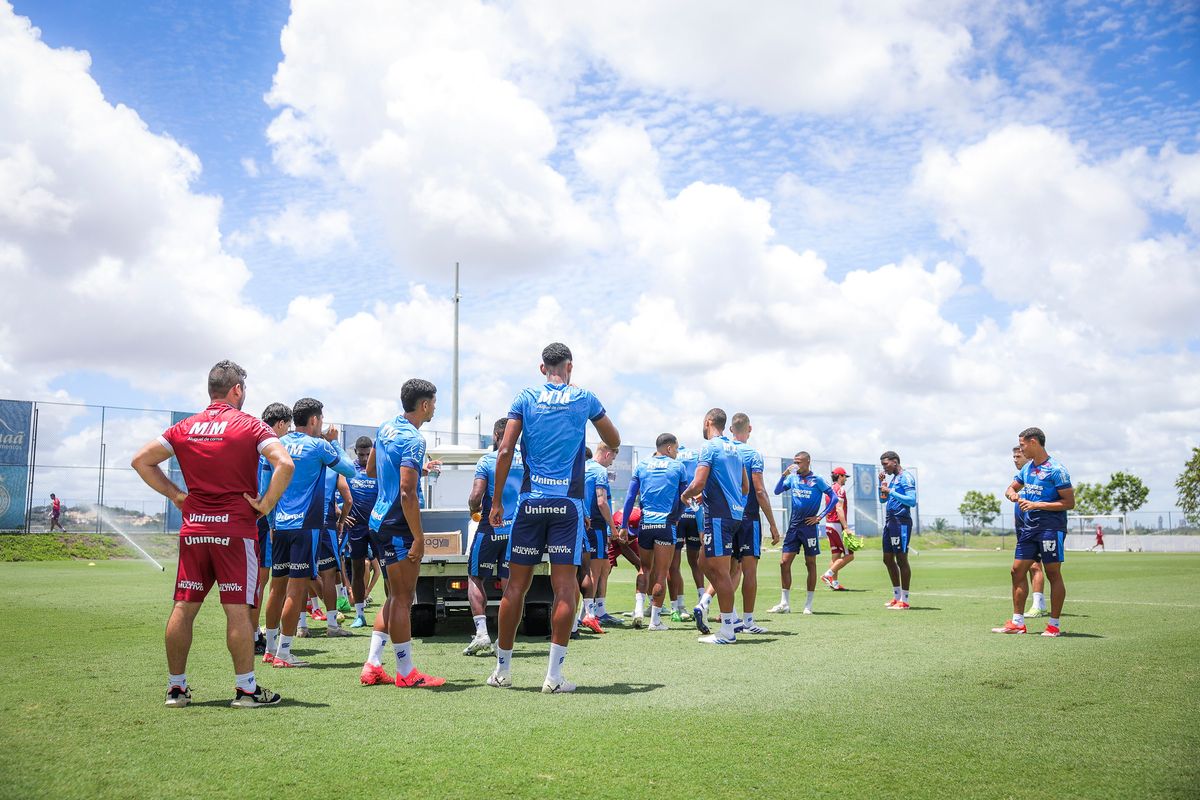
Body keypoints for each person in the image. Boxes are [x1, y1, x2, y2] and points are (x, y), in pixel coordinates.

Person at [130, 359, 293, 708]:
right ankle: (246, 690)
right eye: (244, 389)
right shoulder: (250, 426)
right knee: (237, 611)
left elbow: (141, 460)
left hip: (194, 531)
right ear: (236, 390)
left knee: (184, 607)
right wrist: (264, 505)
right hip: (235, 531)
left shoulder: (184, 427)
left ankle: (176, 689)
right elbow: (285, 463)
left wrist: (177, 496)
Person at [486, 343, 620, 693]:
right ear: (570, 367)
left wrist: (497, 501)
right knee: (565, 588)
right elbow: (613, 439)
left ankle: (502, 671)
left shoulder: (525, 397)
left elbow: (504, 450)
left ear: (542, 368)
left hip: (529, 504)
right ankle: (554, 678)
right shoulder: (584, 398)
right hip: (568, 507)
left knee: (515, 587)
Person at [359, 379, 446, 687]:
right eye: (434, 402)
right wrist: (419, 538)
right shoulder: (414, 440)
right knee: (403, 598)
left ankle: (372, 664)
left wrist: (415, 469)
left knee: (395, 596)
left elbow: (372, 470)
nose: (435, 407)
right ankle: (406, 672)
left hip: (378, 521)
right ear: (423, 404)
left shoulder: (385, 428)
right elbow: (408, 494)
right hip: (398, 525)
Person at [265, 397, 357, 667]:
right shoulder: (318, 446)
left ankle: (270, 648)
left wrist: (271, 521)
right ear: (315, 420)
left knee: (277, 587)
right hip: (306, 526)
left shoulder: (277, 444)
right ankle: (284, 653)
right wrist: (334, 442)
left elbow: (266, 485)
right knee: (296, 588)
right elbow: (349, 469)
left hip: (279, 525)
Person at [994, 427, 1072, 637]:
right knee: (1016, 571)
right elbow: (1010, 488)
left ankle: (1053, 625)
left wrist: (1038, 505)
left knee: (1053, 573)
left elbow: (1069, 502)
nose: (1020, 449)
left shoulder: (1057, 469)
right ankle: (1018, 622)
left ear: (1034, 442)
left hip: (1050, 529)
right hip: (1029, 529)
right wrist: (1012, 495)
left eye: (1022, 445)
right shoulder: (1027, 469)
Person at [680, 408, 748, 645]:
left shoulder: (709, 447)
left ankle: (728, 630)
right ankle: (709, 605)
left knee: (720, 572)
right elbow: (745, 487)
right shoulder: (735, 449)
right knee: (703, 562)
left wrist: (686, 495)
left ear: (708, 422)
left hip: (719, 516)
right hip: (732, 514)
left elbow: (698, 482)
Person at [464, 418, 523, 655]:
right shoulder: (526, 461)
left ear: (498, 436)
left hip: (491, 529)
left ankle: (482, 634)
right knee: (512, 584)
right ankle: (506, 638)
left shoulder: (488, 460)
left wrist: (472, 510)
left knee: (475, 577)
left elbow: (476, 496)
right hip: (518, 532)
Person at [621, 433, 688, 631]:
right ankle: (655, 621)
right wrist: (676, 516)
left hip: (645, 525)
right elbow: (684, 497)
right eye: (675, 449)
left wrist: (624, 525)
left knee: (644, 569)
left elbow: (629, 497)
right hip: (666, 525)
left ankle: (639, 609)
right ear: (669, 448)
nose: (676, 453)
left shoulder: (642, 466)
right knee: (661, 574)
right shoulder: (678, 467)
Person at [772, 452, 837, 615]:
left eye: (799, 462)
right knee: (784, 563)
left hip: (809, 528)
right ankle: (784, 604)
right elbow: (777, 490)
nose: (796, 465)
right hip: (793, 527)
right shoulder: (792, 478)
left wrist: (820, 517)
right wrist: (784, 474)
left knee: (810, 564)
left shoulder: (817, 479)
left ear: (808, 462)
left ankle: (808, 605)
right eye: (794, 462)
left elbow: (834, 498)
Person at [252, 402, 292, 654]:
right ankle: (255, 634)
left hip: (250, 519)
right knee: (263, 579)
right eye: (287, 426)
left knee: (256, 578)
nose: (288, 432)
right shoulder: (269, 450)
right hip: (264, 521)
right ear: (279, 425)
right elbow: (268, 488)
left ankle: (254, 631)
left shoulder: (252, 443)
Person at [582, 444, 617, 631]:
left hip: (581, 523)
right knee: (593, 572)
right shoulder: (599, 471)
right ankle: (587, 615)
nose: (612, 463)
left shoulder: (581, 467)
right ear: (607, 453)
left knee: (604, 566)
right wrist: (612, 527)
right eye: (612, 459)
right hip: (595, 525)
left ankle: (598, 611)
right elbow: (602, 502)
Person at [345, 436, 379, 628]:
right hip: (356, 528)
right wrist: (341, 512)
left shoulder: (379, 470)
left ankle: (389, 613)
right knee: (358, 569)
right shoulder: (350, 470)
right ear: (356, 453)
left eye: (368, 454)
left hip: (377, 526)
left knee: (387, 569)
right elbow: (336, 491)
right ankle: (360, 614)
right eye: (362, 454)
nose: (365, 458)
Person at [1011, 445, 1048, 616]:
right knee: (1020, 569)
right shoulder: (1021, 477)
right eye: (1015, 456)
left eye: (1019, 455)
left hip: (1037, 527)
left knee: (1035, 566)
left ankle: (1038, 604)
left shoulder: (1038, 476)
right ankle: (1032, 604)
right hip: (1022, 526)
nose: (1016, 459)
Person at [879, 450, 917, 610]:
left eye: (885, 464)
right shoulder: (893, 479)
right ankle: (896, 596)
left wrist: (891, 491)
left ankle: (905, 600)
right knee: (887, 559)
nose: (884, 468)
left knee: (901, 559)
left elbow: (912, 501)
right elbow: (883, 500)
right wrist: (881, 486)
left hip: (901, 522)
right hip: (890, 522)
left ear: (895, 461)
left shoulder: (906, 477)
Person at [674, 444, 705, 607]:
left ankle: (680, 605)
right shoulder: (699, 455)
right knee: (696, 562)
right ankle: (702, 600)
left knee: (674, 563)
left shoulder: (675, 458)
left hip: (679, 515)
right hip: (695, 512)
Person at [819, 467, 855, 591]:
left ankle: (834, 583)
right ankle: (827, 575)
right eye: (845, 476)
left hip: (829, 524)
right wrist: (846, 527)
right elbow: (839, 508)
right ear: (840, 476)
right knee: (850, 555)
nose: (846, 479)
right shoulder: (839, 489)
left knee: (836, 555)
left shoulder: (829, 489)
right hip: (836, 525)